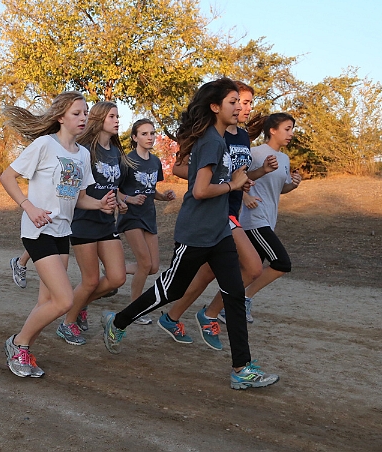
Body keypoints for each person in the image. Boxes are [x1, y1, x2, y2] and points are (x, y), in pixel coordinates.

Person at [101, 78, 280, 390]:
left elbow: (219, 181)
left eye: (241, 102)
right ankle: (117, 322)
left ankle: (241, 368)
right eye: (232, 102)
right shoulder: (211, 142)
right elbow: (198, 191)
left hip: (220, 231)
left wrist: (242, 178)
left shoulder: (222, 140)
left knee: (234, 296)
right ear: (215, 107)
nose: (239, 107)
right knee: (169, 291)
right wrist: (233, 185)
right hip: (196, 233)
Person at [0, 91, 117, 378]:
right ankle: (18, 344)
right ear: (61, 117)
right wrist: (29, 207)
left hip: (63, 232)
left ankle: (24, 348)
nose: (83, 118)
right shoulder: (44, 145)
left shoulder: (83, 155)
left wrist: (99, 204)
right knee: (64, 301)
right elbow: (6, 177)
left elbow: (78, 198)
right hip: (38, 232)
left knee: (46, 302)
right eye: (77, 113)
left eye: (86, 113)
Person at [158, 82, 278, 349]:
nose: (244, 108)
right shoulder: (213, 133)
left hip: (230, 208)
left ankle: (173, 316)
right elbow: (180, 169)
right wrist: (215, 181)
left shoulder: (243, 136)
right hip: (217, 212)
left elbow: (241, 177)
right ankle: (208, 314)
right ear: (224, 104)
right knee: (253, 267)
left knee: (206, 274)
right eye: (239, 102)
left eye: (247, 103)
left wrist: (257, 175)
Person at [56, 101, 128, 345]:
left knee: (117, 278)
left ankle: (81, 304)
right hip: (84, 221)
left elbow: (112, 186)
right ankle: (67, 322)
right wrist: (98, 203)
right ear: (99, 119)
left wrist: (120, 200)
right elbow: (74, 190)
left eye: (118, 116)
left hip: (107, 222)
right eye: (112, 116)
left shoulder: (116, 153)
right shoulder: (85, 150)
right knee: (90, 280)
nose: (117, 120)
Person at [237, 113, 301, 321]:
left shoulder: (284, 159)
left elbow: (280, 189)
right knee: (282, 263)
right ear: (272, 130)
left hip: (269, 220)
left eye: (292, 129)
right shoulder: (255, 153)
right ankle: (244, 297)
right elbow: (236, 178)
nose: (291, 133)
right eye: (287, 128)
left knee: (248, 270)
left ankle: (226, 303)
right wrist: (245, 196)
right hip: (254, 219)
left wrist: (293, 184)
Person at [117, 119, 176, 325]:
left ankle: (116, 269)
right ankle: (134, 310)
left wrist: (164, 197)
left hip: (149, 216)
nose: (149, 137)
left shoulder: (155, 161)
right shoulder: (127, 161)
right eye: (144, 133)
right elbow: (114, 189)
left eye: (152, 133)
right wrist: (129, 199)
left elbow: (151, 192)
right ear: (135, 137)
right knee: (144, 263)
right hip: (131, 216)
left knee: (153, 267)